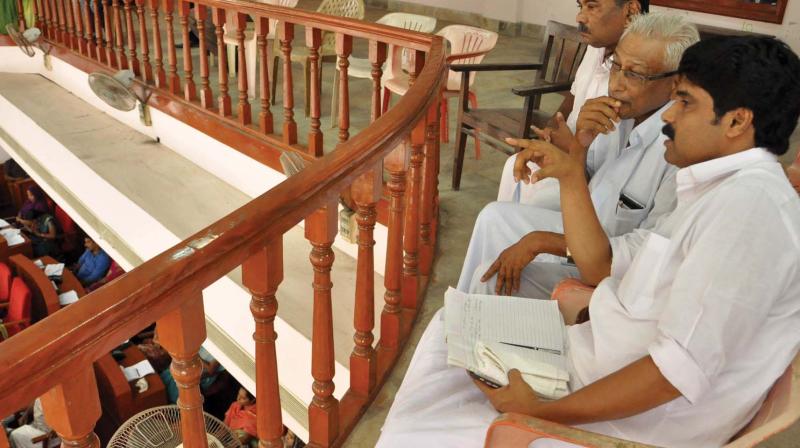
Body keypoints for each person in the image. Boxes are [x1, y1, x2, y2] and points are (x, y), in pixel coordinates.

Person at [376, 35, 800, 448]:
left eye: (685, 101)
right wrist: (571, 171)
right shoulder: (718, 190)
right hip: (589, 357)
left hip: (623, 419)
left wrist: (539, 413)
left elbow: (677, 372)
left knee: (420, 424)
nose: (669, 116)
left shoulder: (749, 209)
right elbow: (600, 264)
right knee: (451, 329)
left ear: (737, 121)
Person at [458, 13, 698, 298]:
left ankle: (474, 313)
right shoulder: (612, 115)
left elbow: (637, 256)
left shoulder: (680, 150)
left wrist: (545, 241)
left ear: (676, 83)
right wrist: (578, 145)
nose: (617, 84)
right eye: (615, 66)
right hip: (584, 228)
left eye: (634, 74)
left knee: (492, 276)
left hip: (610, 263)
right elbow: (584, 182)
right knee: (494, 217)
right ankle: (462, 310)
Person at [497, 0, 648, 203]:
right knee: (515, 167)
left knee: (534, 197)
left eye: (592, 6)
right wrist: (552, 129)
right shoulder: (596, 48)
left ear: (630, 11)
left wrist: (574, 149)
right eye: (581, 6)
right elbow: (575, 94)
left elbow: (625, 167)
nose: (580, 17)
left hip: (597, 184)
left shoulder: (641, 72)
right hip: (571, 155)